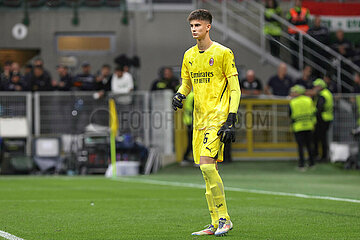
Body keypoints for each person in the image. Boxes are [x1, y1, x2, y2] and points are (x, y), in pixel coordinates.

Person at [172, 9, 240, 236]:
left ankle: (224, 219)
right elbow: (187, 84)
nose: (194, 29)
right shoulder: (189, 55)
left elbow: (234, 87)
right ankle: (214, 222)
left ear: (208, 27)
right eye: (191, 25)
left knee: (207, 165)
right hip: (199, 121)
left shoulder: (223, 53)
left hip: (218, 117)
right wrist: (180, 95)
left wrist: (231, 117)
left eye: (198, 25)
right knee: (207, 170)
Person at [289, 85, 316, 170]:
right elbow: (314, 112)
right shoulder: (309, 100)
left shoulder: (293, 102)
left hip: (298, 127)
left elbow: (290, 114)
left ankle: (301, 165)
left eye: (293, 92)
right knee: (309, 145)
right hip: (309, 125)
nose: (292, 93)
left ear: (298, 92)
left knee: (300, 147)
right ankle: (312, 163)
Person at [312, 78, 333, 162]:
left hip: (322, 119)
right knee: (322, 138)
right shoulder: (327, 93)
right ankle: (323, 156)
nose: (314, 87)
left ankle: (322, 156)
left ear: (320, 86)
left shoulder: (322, 95)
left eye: (316, 86)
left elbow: (319, 108)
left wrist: (313, 112)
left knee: (320, 138)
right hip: (327, 118)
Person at [286, 0, 310, 69]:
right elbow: (290, 22)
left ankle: (303, 67)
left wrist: (296, 20)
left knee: (303, 52)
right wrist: (300, 20)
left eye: (299, 1)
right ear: (295, 3)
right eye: (296, 1)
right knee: (294, 52)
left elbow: (306, 21)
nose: (298, 3)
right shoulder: (290, 11)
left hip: (303, 34)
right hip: (293, 34)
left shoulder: (306, 10)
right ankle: (295, 67)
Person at [181, 91, 194, 166]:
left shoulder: (190, 95)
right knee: (193, 141)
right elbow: (195, 109)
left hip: (188, 121)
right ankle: (186, 158)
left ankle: (185, 158)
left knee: (191, 141)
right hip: (192, 121)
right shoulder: (194, 96)